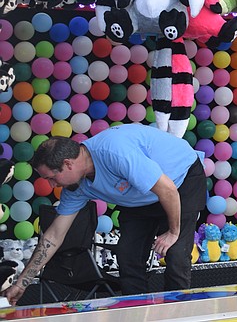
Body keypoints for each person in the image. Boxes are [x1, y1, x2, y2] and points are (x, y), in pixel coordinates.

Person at [3, 124, 207, 305]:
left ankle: (179, 313)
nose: (51, 185)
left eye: (52, 178)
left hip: (180, 182)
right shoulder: (76, 186)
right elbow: (53, 236)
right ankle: (137, 313)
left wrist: (173, 232)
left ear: (67, 164)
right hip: (140, 196)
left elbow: (167, 189)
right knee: (128, 256)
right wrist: (22, 284)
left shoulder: (114, 152)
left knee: (176, 256)